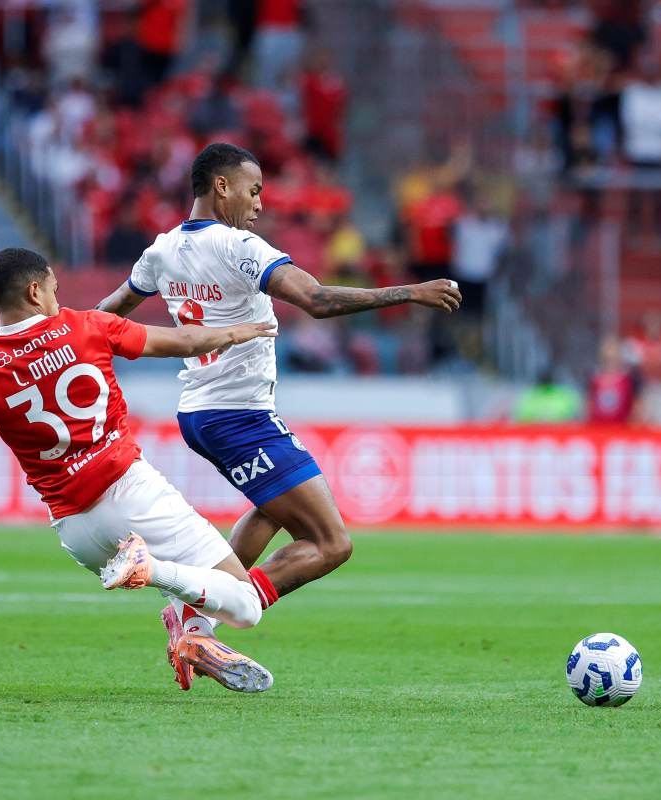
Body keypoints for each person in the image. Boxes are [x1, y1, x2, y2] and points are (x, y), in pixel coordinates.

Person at [94, 143, 460, 652]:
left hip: (204, 411)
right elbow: (314, 298)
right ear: (222, 186)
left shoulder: (161, 250)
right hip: (236, 416)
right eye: (254, 189)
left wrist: (55, 345)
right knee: (332, 544)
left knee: (274, 507)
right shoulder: (239, 246)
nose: (260, 203)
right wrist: (406, 291)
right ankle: (208, 614)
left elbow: (107, 315)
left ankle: (195, 615)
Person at [0, 248, 275, 693]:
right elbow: (182, 343)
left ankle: (193, 638)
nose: (57, 295)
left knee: (187, 580)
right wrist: (237, 332)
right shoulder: (85, 325)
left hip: (78, 533)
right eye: (53, 287)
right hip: (130, 490)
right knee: (245, 604)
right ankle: (155, 573)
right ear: (35, 291)